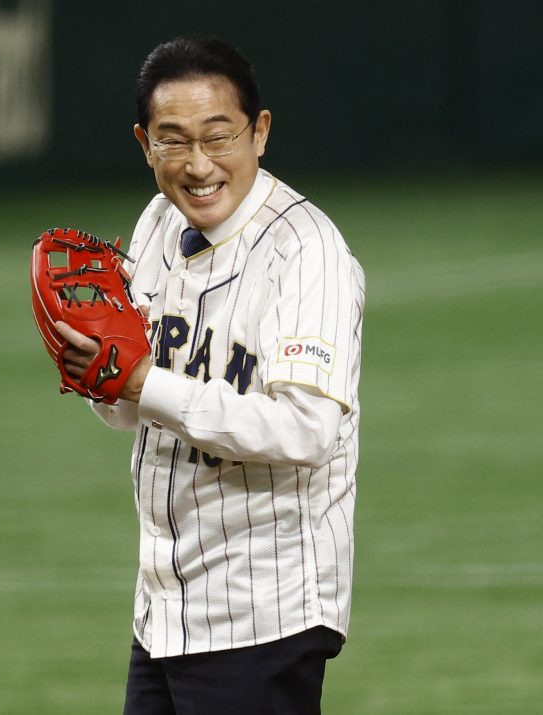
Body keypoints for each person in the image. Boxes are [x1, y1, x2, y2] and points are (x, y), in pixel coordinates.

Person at [54, 35, 365, 714]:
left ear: (260, 133)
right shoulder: (160, 226)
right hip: (165, 607)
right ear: (144, 144)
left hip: (264, 613)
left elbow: (307, 429)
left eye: (218, 136)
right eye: (173, 140)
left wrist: (140, 382)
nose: (198, 164)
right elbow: (130, 407)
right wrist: (97, 376)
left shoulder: (307, 253)